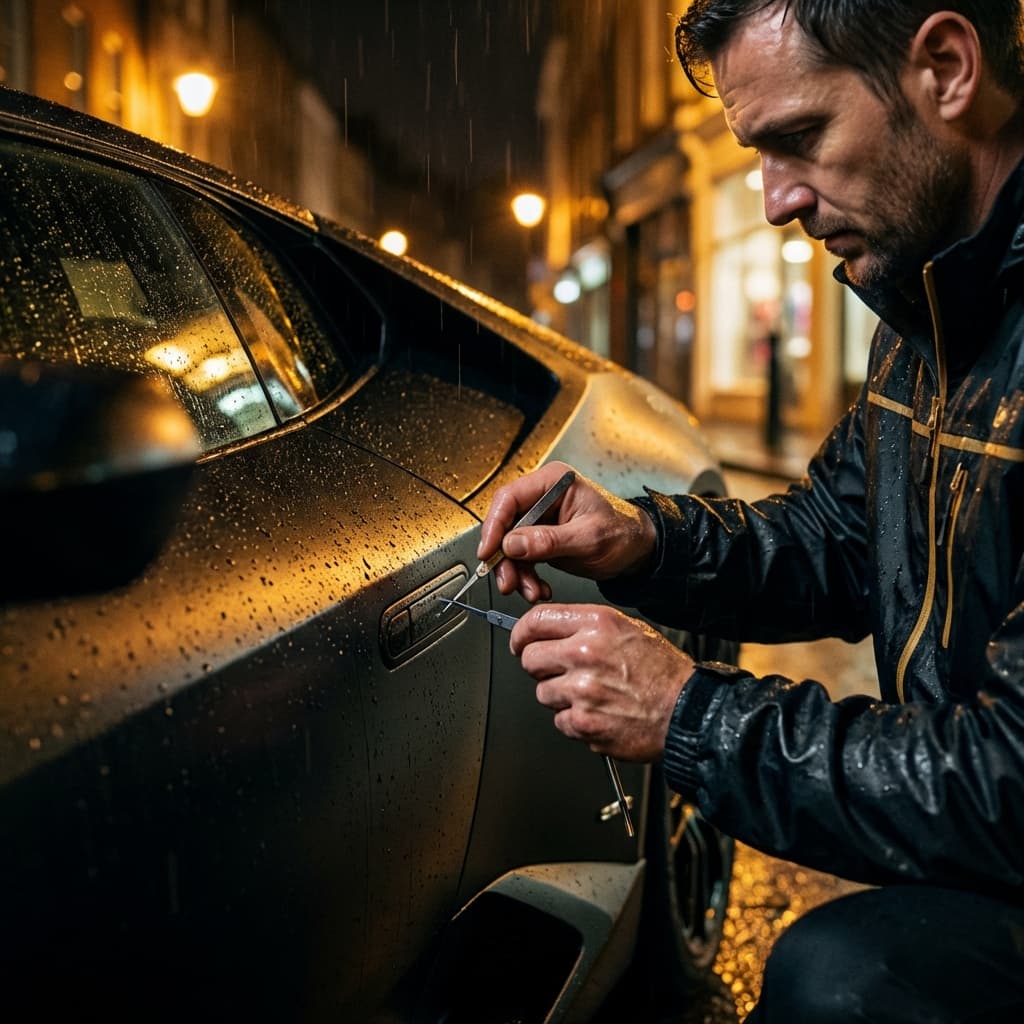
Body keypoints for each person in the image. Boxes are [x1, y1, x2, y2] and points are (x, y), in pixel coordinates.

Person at [477, 2, 1024, 1021]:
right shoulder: (930, 307)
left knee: (844, 979)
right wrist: (644, 541)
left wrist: (689, 713)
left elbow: (1010, 780)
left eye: (801, 136)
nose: (776, 202)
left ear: (948, 67)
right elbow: (842, 538)